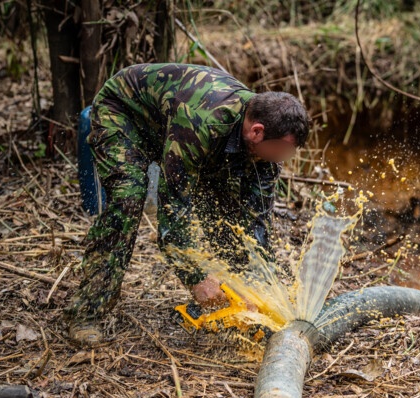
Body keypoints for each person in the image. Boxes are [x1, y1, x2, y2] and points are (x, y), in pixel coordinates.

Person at [64, 63, 309, 345]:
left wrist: (263, 287)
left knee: (228, 212)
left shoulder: (264, 151)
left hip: (172, 125)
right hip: (124, 113)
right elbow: (173, 213)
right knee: (128, 197)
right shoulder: (202, 124)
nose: (282, 159)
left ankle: (232, 303)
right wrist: (196, 277)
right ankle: (86, 313)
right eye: (282, 150)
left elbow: (255, 223)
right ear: (257, 132)